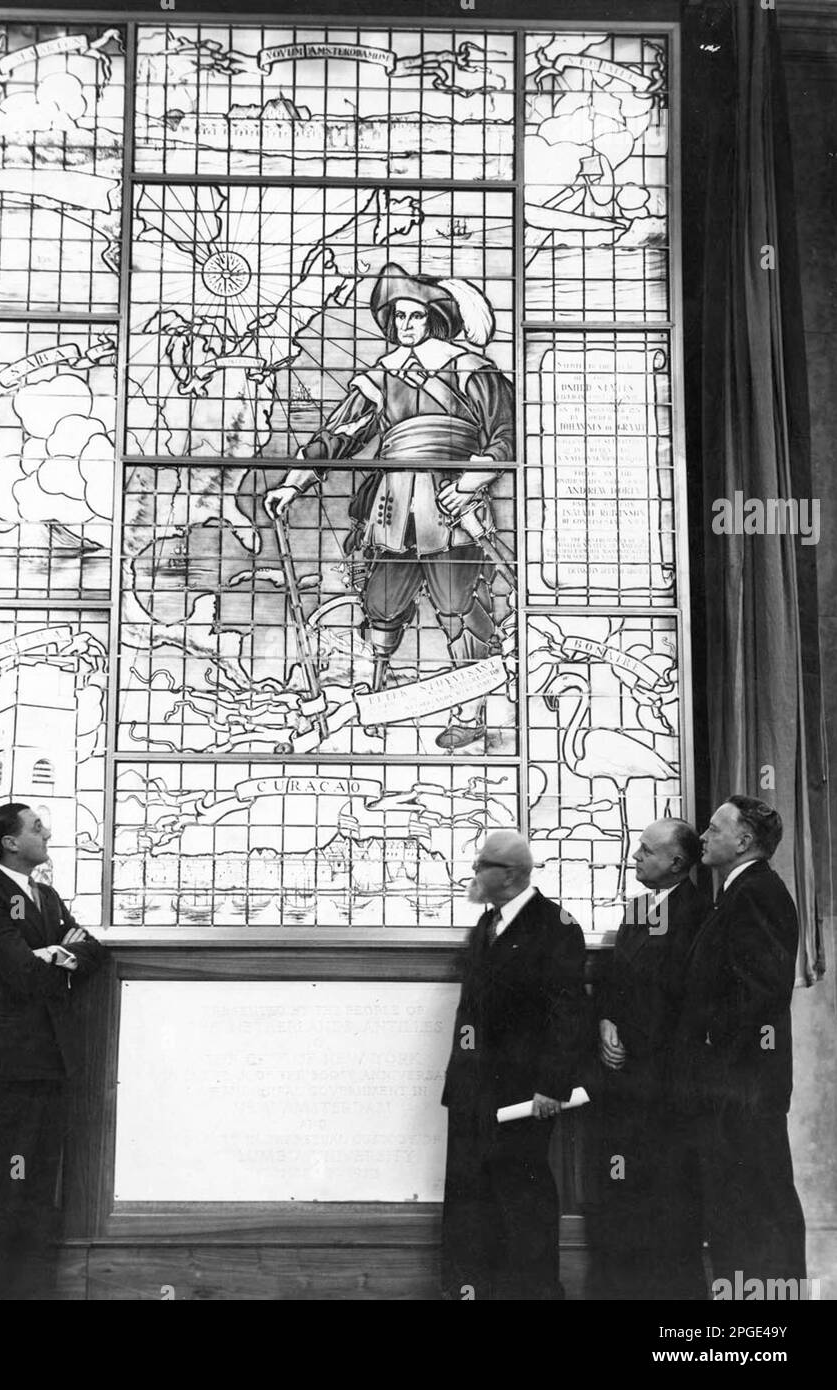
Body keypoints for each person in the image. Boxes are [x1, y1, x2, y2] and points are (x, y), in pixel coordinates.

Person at [264, 262, 515, 751]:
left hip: (452, 507)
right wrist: (294, 483)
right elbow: (339, 435)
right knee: (382, 603)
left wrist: (469, 484)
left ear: (436, 318)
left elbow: (504, 436)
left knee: (458, 604)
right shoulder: (381, 377)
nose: (404, 325)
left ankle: (471, 709)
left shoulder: (473, 371)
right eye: (397, 316)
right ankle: (376, 696)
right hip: (392, 507)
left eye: (414, 315)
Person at [0, 803, 105, 1300]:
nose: (47, 832)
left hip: (47, 1067)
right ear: (11, 843)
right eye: (37, 827)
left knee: (37, 1194)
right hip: (8, 1072)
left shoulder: (48, 897)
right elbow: (21, 974)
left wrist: (55, 953)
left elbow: (93, 951)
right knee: (0, 1191)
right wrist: (56, 954)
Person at [440, 830, 586, 1299]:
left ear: (512, 875)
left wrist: (552, 1086)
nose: (475, 873)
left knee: (522, 1198)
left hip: (523, 1095)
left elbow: (568, 1013)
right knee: (470, 1199)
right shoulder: (487, 926)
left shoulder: (557, 926)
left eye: (483, 865)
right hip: (472, 1091)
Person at [674, 795, 806, 1291]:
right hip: (737, 1086)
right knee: (742, 1212)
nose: (702, 838)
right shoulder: (738, 891)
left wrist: (713, 1063)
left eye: (712, 829)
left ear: (744, 841)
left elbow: (761, 996)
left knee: (759, 1210)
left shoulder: (755, 893)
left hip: (744, 1087)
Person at [587, 818, 710, 1299]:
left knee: (668, 1203)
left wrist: (636, 1043)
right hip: (624, 1085)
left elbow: (688, 1004)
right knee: (622, 1197)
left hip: (665, 1088)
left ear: (676, 862)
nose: (634, 856)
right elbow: (615, 982)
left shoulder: (700, 914)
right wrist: (605, 1023)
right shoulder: (638, 909)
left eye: (645, 850)